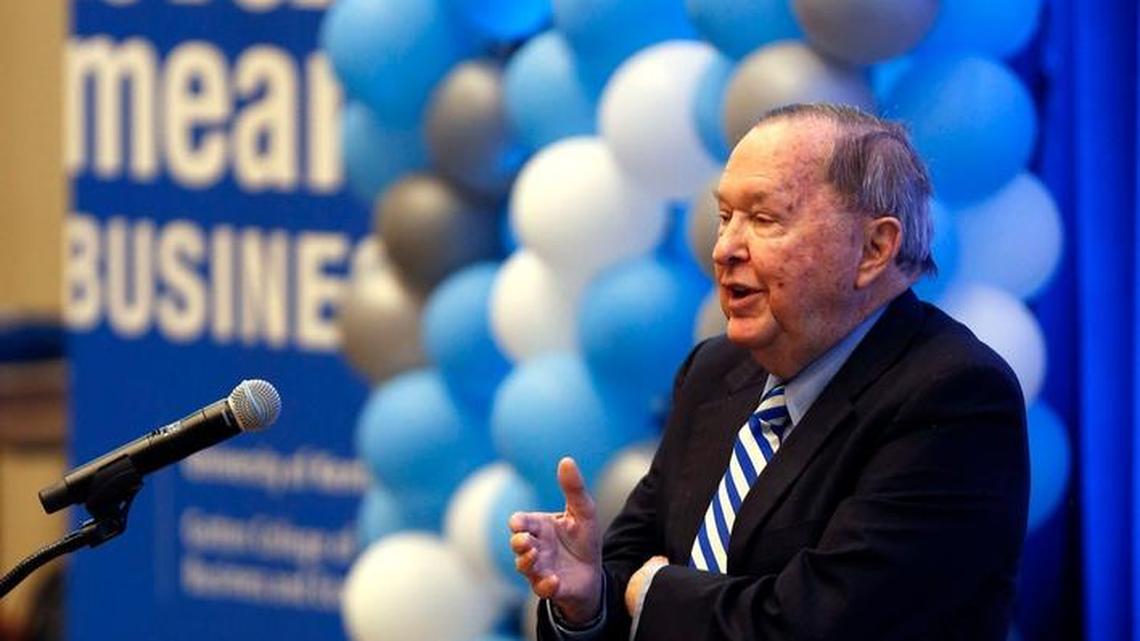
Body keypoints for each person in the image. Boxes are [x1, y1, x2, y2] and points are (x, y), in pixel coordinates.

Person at [508, 103, 1029, 641]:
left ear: (874, 249)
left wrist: (654, 595)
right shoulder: (715, 371)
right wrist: (586, 602)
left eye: (763, 219)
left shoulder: (952, 395)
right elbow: (626, 573)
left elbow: (823, 624)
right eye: (725, 217)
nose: (725, 248)